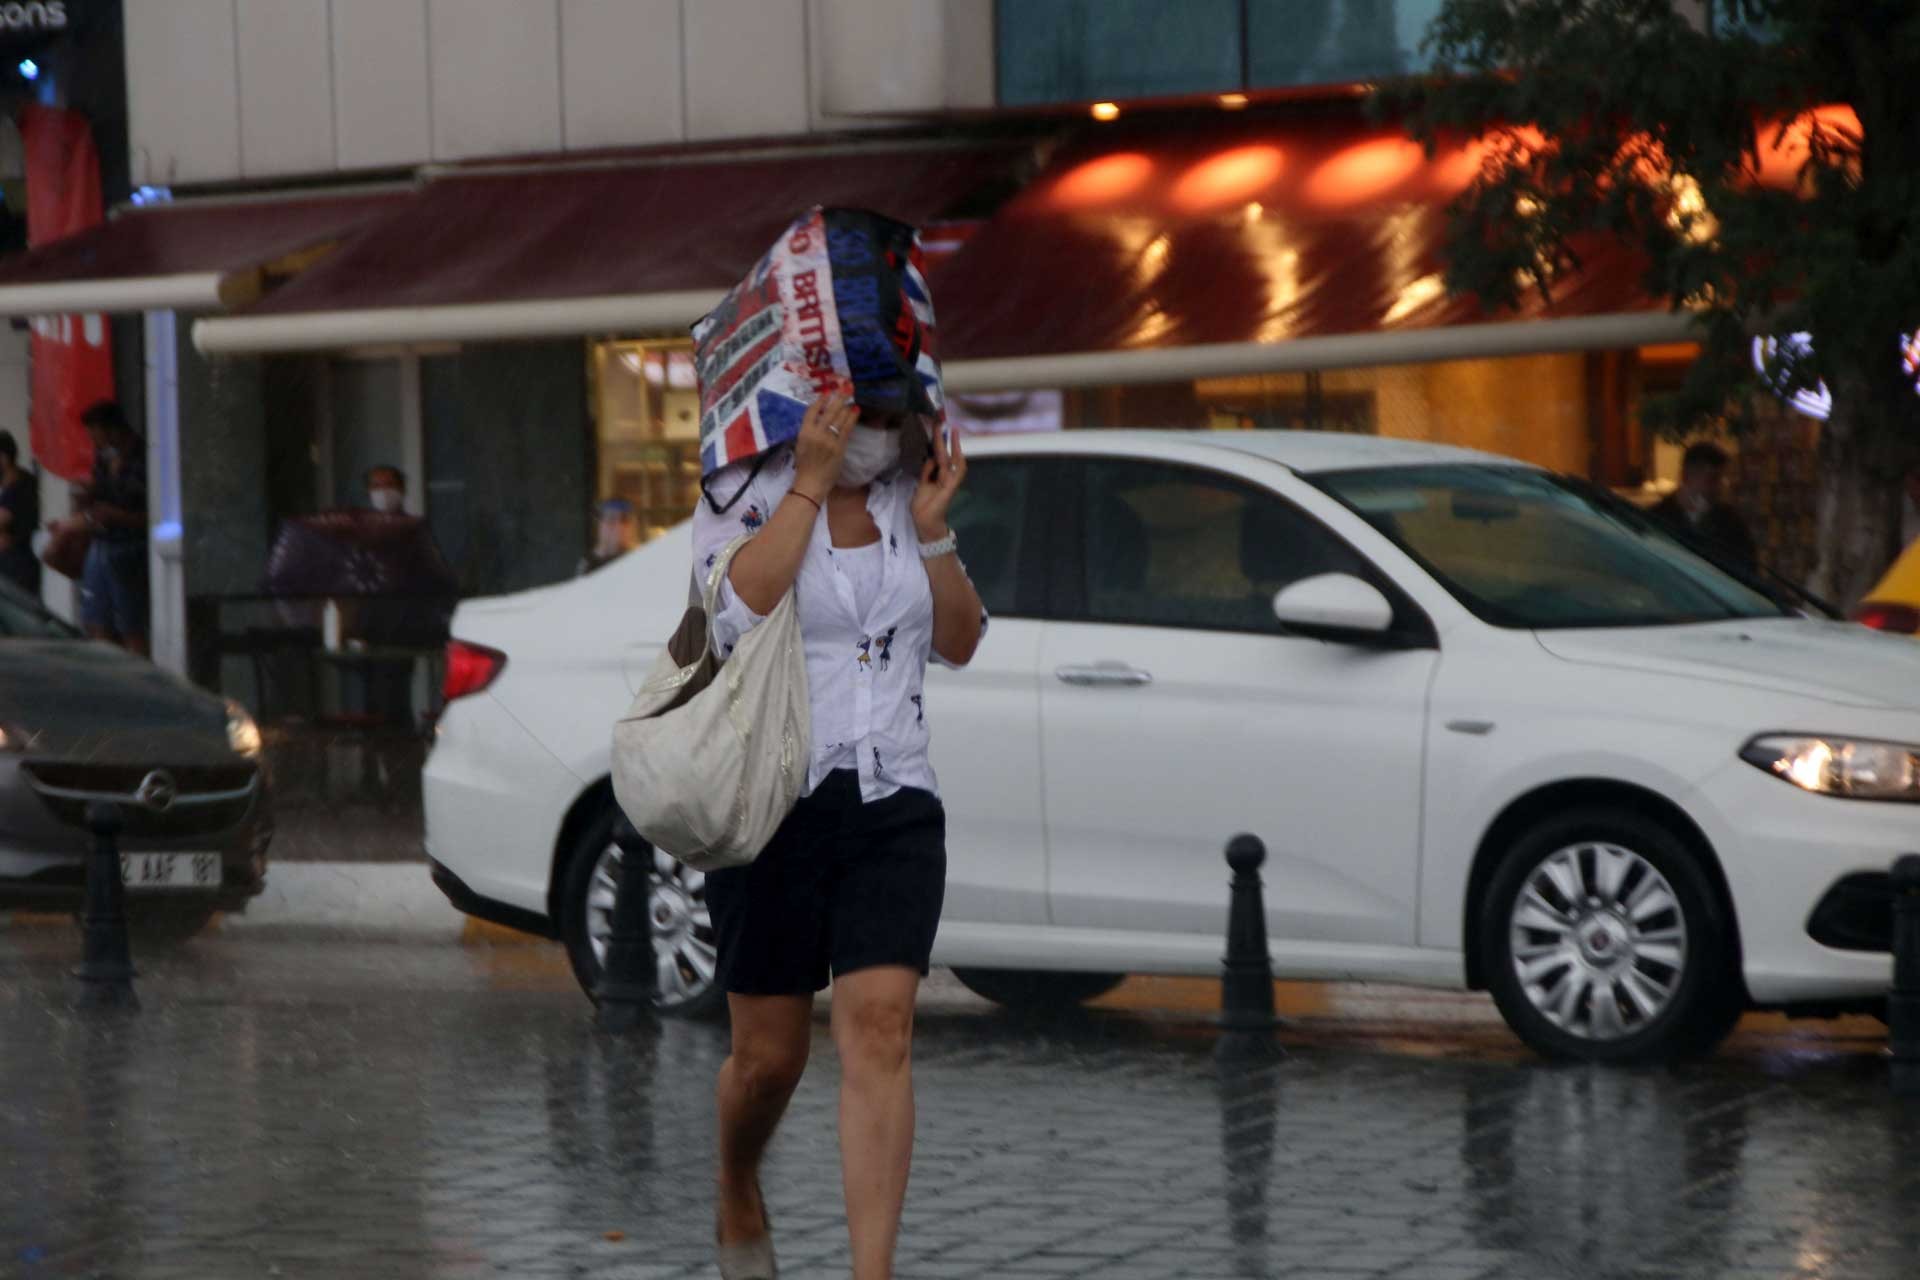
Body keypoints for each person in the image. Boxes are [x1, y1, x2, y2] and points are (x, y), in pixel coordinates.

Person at [691, 389, 984, 1280]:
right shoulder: (741, 491)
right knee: (768, 1060)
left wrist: (934, 529)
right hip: (773, 803)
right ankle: (737, 1177)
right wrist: (809, 486)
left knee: (882, 1028)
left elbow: (962, 641)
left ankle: (872, 1272)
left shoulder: (907, 497)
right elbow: (730, 612)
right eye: (858, 413)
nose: (873, 436)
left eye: (888, 417)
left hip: (895, 798)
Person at [61, 401, 148, 655]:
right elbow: (99, 492)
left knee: (131, 624)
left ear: (112, 430)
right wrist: (86, 496)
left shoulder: (141, 457)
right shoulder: (104, 457)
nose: (92, 440)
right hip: (102, 542)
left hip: (130, 546)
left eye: (95, 433)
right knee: (96, 618)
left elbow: (147, 512)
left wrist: (114, 515)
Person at [1651, 442, 1757, 567]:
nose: (1719, 487)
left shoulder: (1730, 522)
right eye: (1713, 479)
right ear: (1686, 477)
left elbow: (1746, 567)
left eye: (1724, 480)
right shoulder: (1657, 519)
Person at [0, 430, 40, 596]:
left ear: (4, 458)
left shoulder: (20, 487)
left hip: (18, 566)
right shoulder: (10, 486)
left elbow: (3, 519)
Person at [577, 497, 636, 576]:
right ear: (600, 525)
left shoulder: (635, 562)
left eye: (624, 520)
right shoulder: (587, 564)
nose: (618, 527)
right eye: (611, 519)